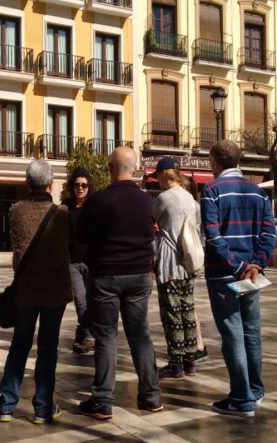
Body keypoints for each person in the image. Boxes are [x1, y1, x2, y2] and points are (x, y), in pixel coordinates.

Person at [78, 147, 162, 420]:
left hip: (105, 275)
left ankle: (102, 401)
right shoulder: (149, 201)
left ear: (110, 168)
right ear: (135, 169)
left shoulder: (98, 200)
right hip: (139, 275)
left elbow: (83, 237)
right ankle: (151, 397)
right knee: (141, 335)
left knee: (106, 337)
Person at [201, 140, 276, 418]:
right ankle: (255, 390)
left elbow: (213, 235)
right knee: (251, 333)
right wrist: (255, 264)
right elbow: (270, 234)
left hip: (224, 274)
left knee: (232, 335)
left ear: (215, 163)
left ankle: (242, 399)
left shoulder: (211, 190)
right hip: (252, 276)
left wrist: (239, 264)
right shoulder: (258, 192)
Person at [0, 160, 72, 424]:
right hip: (54, 290)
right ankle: (42, 408)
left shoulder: (15, 210)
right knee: (48, 348)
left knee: (19, 344)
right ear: (50, 184)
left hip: (26, 288)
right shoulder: (62, 214)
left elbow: (17, 250)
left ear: (27, 183)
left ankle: (6, 405)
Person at [152, 157, 200, 379]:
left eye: (158, 176)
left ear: (164, 174)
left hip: (170, 261)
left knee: (171, 313)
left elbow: (155, 222)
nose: (157, 181)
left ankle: (176, 363)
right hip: (189, 261)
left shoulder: (164, 198)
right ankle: (190, 360)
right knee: (187, 311)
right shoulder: (190, 198)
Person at [64, 167, 95, 355]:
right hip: (73, 261)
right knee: (81, 300)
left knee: (91, 300)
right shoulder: (66, 208)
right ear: (72, 187)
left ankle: (83, 331)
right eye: (77, 185)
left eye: (84, 185)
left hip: (91, 261)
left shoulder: (94, 207)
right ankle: (88, 336)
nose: (80, 188)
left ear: (89, 187)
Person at [182, 176, 209, 363]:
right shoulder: (194, 206)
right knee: (187, 303)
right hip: (191, 259)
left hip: (188, 260)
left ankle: (197, 345)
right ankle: (194, 344)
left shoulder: (191, 207)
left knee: (188, 304)